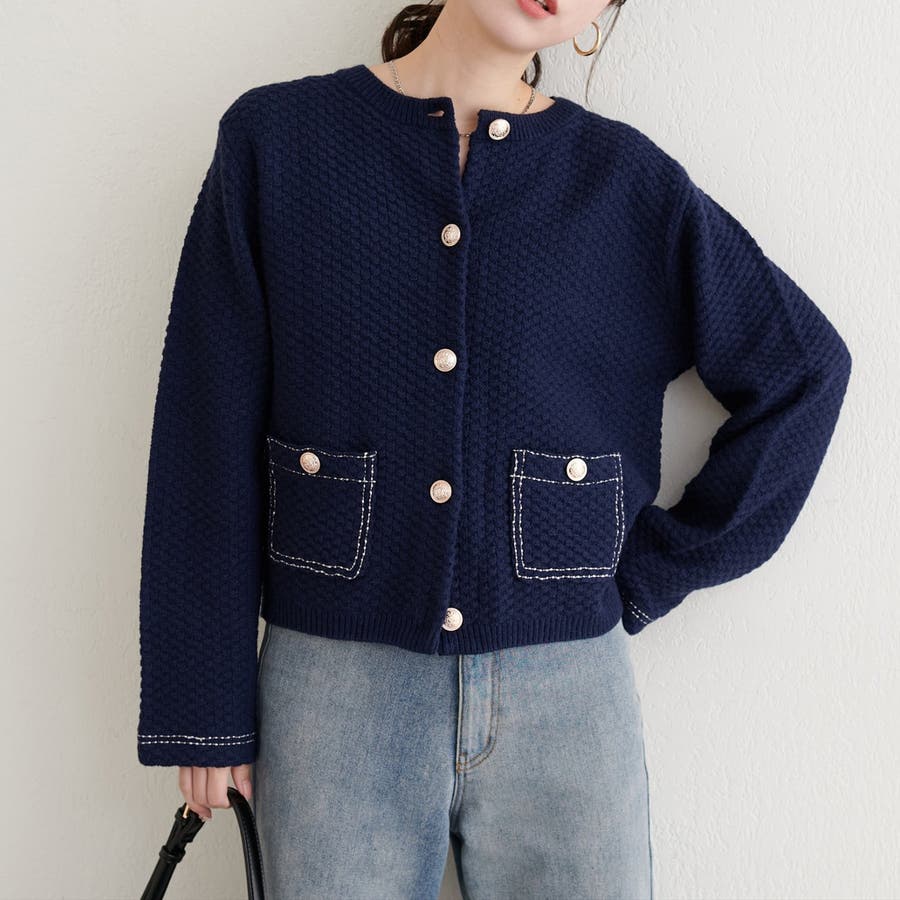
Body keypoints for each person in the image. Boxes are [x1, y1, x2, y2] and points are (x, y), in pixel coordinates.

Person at [136, 1, 853, 897]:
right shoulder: (278, 144)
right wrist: (203, 707)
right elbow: (205, 430)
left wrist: (650, 573)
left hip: (569, 693)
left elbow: (803, 370)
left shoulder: (625, 184)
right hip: (333, 687)